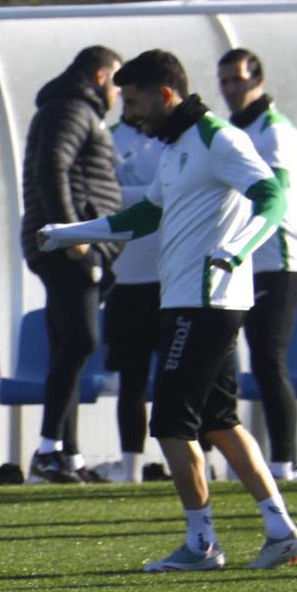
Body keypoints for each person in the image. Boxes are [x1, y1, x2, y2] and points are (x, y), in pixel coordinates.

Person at [38, 49, 297, 572]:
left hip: (206, 301)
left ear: (166, 96)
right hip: (187, 299)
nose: (130, 112)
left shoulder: (219, 139)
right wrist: (70, 234)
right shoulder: (175, 148)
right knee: (220, 422)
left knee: (169, 424)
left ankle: (202, 544)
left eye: (136, 101)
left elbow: (272, 197)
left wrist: (238, 248)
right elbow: (144, 217)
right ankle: (281, 531)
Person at [18, 46, 125, 484]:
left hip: (64, 243)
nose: (120, 92)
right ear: (101, 76)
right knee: (81, 341)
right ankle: (47, 453)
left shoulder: (74, 108)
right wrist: (73, 237)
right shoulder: (72, 108)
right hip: (66, 246)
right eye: (118, 80)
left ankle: (68, 457)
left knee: (68, 346)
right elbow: (52, 169)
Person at [218, 49, 297, 482]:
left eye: (237, 80)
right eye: (224, 81)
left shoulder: (274, 131)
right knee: (237, 358)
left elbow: (275, 196)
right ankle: (245, 459)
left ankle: (284, 464)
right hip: (250, 259)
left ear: (258, 79)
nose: (230, 89)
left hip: (282, 259)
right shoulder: (235, 130)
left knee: (268, 359)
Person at [103, 99, 164, 483]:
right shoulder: (105, 140)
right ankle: (132, 470)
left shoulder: (173, 141)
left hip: (169, 278)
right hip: (124, 282)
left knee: (184, 379)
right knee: (132, 381)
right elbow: (105, 197)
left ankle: (204, 462)